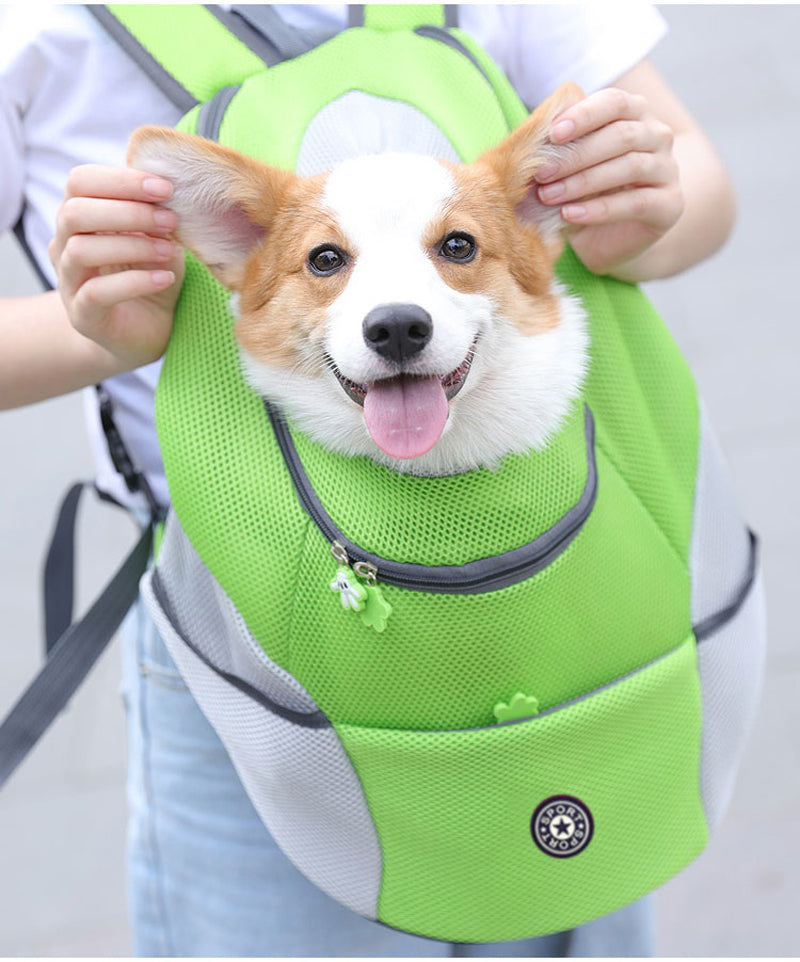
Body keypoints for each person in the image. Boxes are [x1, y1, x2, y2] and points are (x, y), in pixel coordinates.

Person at [0, 4, 736, 956]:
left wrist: (636, 215)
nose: (395, 314)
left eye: (454, 246)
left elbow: (700, 184)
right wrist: (105, 325)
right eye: (329, 261)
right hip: (252, 635)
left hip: (557, 590)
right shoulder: (36, 30)